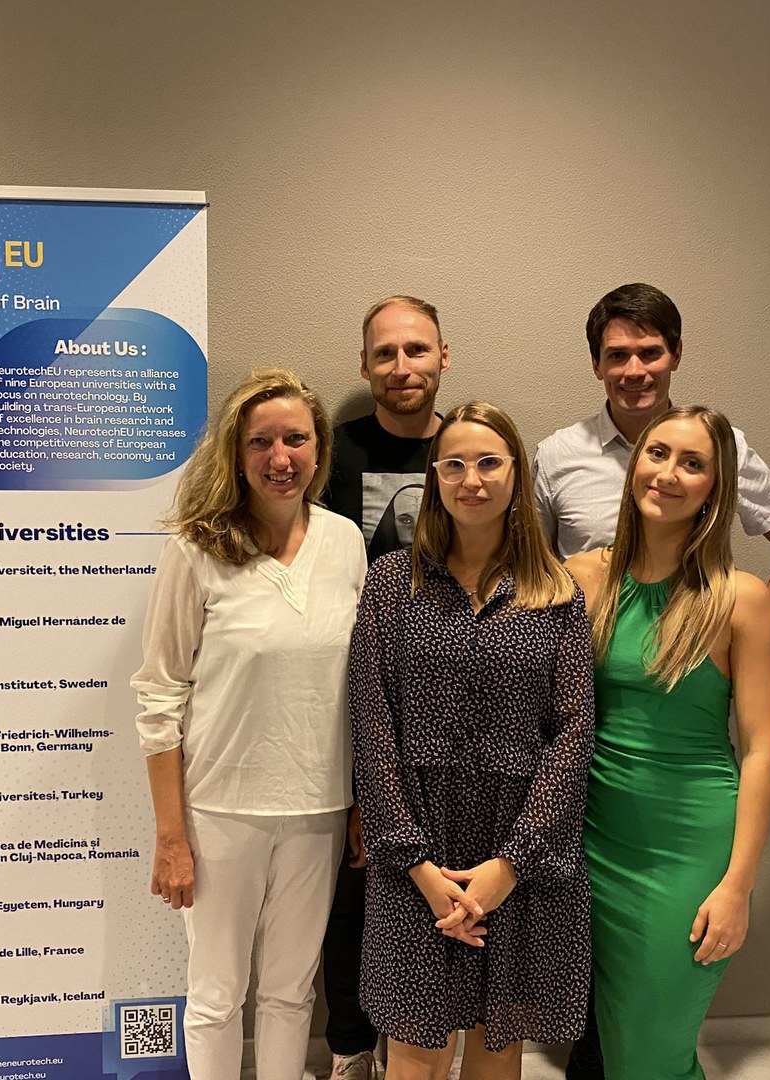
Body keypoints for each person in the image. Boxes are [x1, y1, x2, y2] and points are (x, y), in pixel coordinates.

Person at [130, 367, 367, 1080]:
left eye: (296, 438)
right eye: (261, 441)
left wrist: (357, 804)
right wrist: (171, 836)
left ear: (319, 449)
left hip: (319, 807)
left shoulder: (345, 542)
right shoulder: (196, 548)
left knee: (293, 994)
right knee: (215, 996)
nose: (280, 457)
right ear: (236, 454)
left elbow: (355, 690)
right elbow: (159, 693)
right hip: (220, 808)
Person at [349, 401, 595, 1080]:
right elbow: (372, 727)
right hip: (417, 850)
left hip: (519, 849)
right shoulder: (392, 584)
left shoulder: (556, 592)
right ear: (434, 477)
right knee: (415, 1052)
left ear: (517, 473)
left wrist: (509, 866)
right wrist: (418, 868)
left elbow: (573, 735)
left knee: (497, 1045)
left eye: (489, 462)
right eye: (453, 464)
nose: (471, 479)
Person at [564, 405, 770, 1080]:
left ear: (717, 489)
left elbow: (762, 749)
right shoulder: (581, 577)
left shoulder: (740, 600)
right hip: (590, 843)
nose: (668, 473)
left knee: (650, 1056)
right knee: (600, 1041)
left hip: (685, 850)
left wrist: (737, 886)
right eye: (657, 454)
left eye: (693, 463)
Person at [322, 294, 451, 1080]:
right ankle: (348, 1048)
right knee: (353, 884)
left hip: (451, 708)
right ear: (364, 365)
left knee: (435, 880)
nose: (402, 367)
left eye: (417, 350)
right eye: (385, 354)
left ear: (445, 356)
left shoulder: (473, 448)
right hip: (352, 699)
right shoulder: (332, 455)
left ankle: (427, 1039)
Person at [533, 282, 770, 619]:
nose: (635, 371)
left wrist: (753, 632)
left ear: (676, 355)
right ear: (597, 365)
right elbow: (533, 570)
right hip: (591, 659)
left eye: (651, 353)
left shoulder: (721, 447)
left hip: (694, 660)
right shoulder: (556, 455)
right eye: (618, 356)